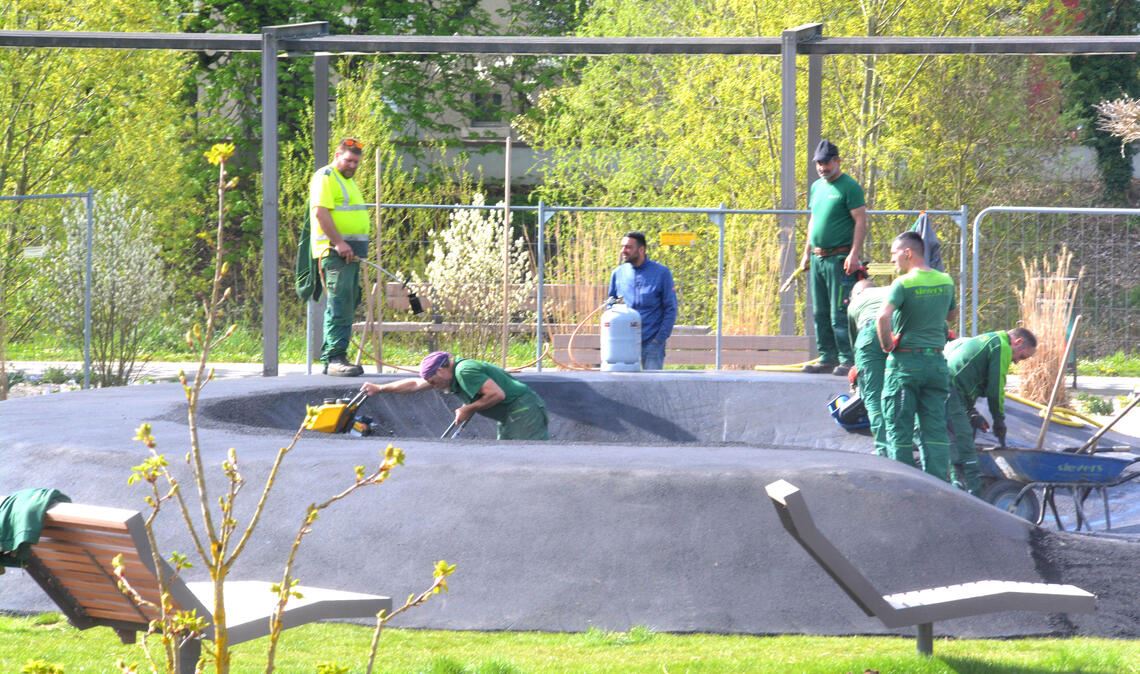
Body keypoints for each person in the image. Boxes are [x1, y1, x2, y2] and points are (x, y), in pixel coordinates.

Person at [876, 231, 958, 482]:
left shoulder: (902, 284)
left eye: (894, 253)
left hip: (906, 365)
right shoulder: (946, 280)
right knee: (934, 429)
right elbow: (951, 316)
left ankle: (903, 485)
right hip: (936, 364)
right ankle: (937, 487)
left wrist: (887, 344)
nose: (892, 260)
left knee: (899, 428)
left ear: (908, 253)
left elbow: (882, 317)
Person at [360, 351, 549, 440]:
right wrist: (380, 388)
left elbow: (497, 394)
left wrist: (468, 408)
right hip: (512, 415)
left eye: (433, 381)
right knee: (509, 455)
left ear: (441, 370)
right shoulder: (448, 376)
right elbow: (415, 384)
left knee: (525, 459)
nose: (433, 386)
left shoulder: (465, 371)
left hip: (523, 410)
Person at [799, 139, 867, 377]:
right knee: (819, 311)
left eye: (826, 163)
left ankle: (847, 359)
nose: (822, 168)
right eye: (819, 163)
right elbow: (813, 221)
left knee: (839, 311)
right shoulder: (817, 187)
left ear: (837, 161)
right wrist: (806, 252)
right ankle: (827, 357)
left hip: (839, 258)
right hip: (818, 258)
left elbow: (860, 220)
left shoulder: (850, 187)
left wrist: (854, 254)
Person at [943, 328, 1038, 495]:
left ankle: (961, 482)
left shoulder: (988, 339)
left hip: (952, 391)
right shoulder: (1001, 346)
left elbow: (966, 378)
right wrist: (998, 420)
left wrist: (972, 413)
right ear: (1018, 342)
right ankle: (958, 488)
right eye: (1021, 356)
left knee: (967, 431)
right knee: (961, 439)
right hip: (949, 391)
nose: (1016, 361)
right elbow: (996, 389)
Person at [310, 138, 370, 377]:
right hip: (335, 253)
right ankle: (334, 358)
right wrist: (339, 242)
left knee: (347, 302)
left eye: (356, 162)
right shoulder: (325, 177)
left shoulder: (348, 181)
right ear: (337, 155)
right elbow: (320, 212)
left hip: (349, 254)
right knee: (339, 303)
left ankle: (338, 355)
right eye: (348, 160)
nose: (352, 165)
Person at [608, 231, 678, 370]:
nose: (623, 251)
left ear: (641, 249)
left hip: (651, 344)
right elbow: (611, 305)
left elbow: (671, 308)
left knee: (652, 388)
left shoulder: (661, 273)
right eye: (622, 247)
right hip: (623, 343)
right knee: (622, 386)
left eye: (628, 247)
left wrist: (658, 340)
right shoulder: (618, 273)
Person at [846, 279, 891, 456]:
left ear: (854, 295)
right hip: (903, 332)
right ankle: (907, 441)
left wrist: (858, 374)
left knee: (874, 398)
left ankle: (883, 449)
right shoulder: (892, 289)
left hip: (871, 332)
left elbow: (856, 344)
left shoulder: (856, 302)